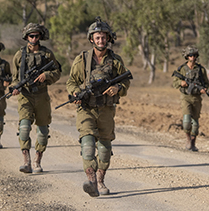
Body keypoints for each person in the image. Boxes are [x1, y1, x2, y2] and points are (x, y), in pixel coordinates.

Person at [66, 17, 131, 197]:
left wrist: (118, 88)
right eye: (97, 37)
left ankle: (101, 179)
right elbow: (71, 82)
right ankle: (92, 180)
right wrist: (75, 95)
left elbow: (125, 80)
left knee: (104, 149)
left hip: (106, 110)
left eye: (103, 37)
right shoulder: (82, 60)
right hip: (86, 108)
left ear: (108, 39)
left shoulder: (115, 60)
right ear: (91, 39)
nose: (101, 41)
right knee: (87, 144)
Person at [10, 23, 61, 174]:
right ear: (26, 37)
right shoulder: (19, 55)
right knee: (24, 128)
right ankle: (26, 161)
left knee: (43, 131)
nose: (33, 38)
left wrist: (47, 75)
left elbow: (57, 71)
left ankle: (38, 160)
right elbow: (14, 78)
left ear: (40, 37)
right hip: (25, 96)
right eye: (31, 36)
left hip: (41, 95)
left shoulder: (47, 54)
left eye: (36, 36)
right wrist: (14, 88)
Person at [172, 45, 209, 152]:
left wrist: (204, 89)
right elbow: (175, 82)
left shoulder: (200, 70)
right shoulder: (182, 69)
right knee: (186, 121)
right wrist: (181, 82)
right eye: (190, 56)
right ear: (187, 57)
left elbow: (206, 83)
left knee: (195, 123)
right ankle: (188, 140)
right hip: (185, 97)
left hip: (197, 98)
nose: (192, 58)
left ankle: (193, 143)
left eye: (194, 56)